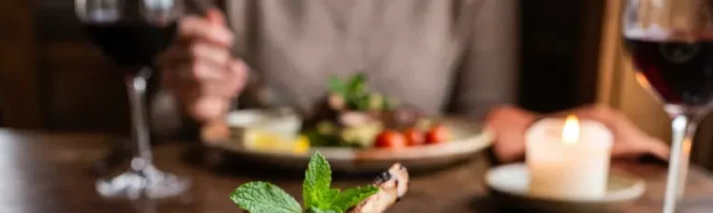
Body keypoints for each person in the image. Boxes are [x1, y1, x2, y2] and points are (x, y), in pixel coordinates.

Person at [156, 1, 668, 163]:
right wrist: (194, 102)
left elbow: (485, 116)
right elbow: (162, 114)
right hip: (249, 191)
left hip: (431, 201)